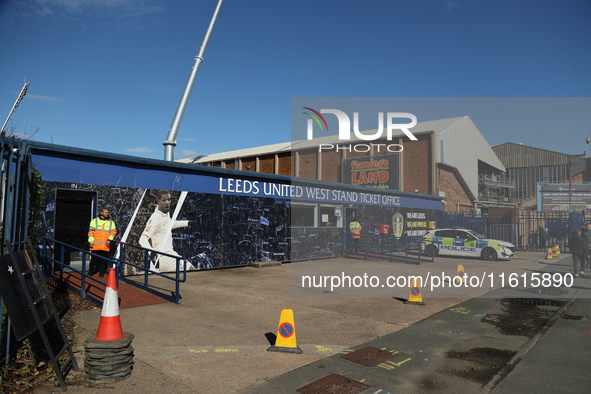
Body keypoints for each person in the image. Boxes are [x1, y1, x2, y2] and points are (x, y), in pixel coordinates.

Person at [139, 190, 197, 273]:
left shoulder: (165, 214)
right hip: (164, 257)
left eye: (168, 199)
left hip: (164, 258)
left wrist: (188, 223)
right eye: (164, 200)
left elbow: (169, 224)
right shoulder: (156, 218)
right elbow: (142, 239)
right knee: (193, 271)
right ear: (158, 201)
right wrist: (151, 253)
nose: (167, 202)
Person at [88, 208, 117, 277]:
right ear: (101, 213)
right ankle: (91, 272)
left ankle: (101, 272)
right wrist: (91, 241)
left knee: (103, 260)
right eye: (105, 212)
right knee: (93, 260)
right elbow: (91, 232)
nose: (107, 214)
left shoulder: (111, 222)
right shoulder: (95, 221)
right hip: (95, 245)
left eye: (108, 212)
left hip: (105, 245)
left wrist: (109, 240)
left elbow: (113, 232)